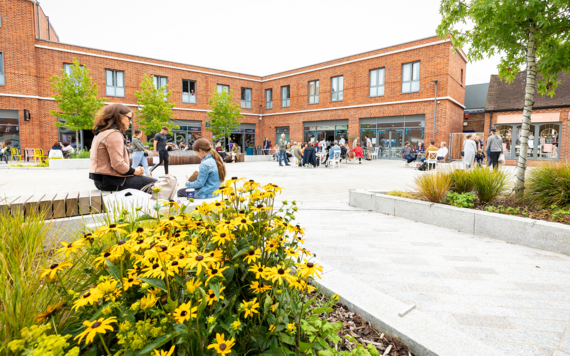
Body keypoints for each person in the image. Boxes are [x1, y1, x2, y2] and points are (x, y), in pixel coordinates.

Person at [89, 104, 157, 192]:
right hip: (113, 181)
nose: (131, 122)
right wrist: (134, 171)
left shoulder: (102, 132)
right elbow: (117, 164)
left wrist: (134, 170)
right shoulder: (113, 133)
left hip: (102, 180)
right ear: (118, 116)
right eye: (129, 118)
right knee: (157, 185)